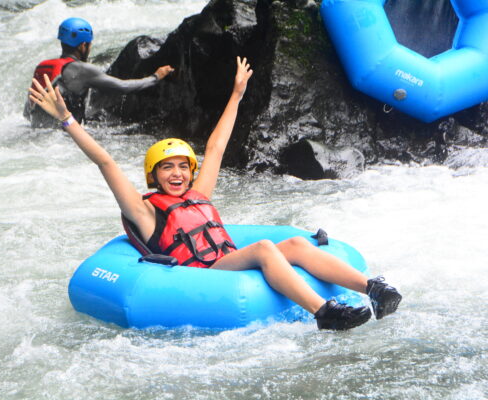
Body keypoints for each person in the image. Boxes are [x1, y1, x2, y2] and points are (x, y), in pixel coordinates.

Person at [28, 57, 402, 331]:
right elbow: (106, 162)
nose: (176, 174)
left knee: (296, 244)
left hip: (226, 257)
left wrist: (237, 94)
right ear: (154, 175)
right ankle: (325, 313)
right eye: (166, 167)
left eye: (182, 167)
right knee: (265, 249)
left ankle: (374, 288)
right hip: (203, 272)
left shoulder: (199, 193)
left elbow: (218, 145)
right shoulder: (145, 211)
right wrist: (67, 121)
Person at [24, 17, 174, 128]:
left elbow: (27, 111)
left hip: (38, 133)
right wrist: (155, 77)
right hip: (64, 137)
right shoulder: (82, 69)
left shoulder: (44, 67)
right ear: (83, 45)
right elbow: (123, 87)